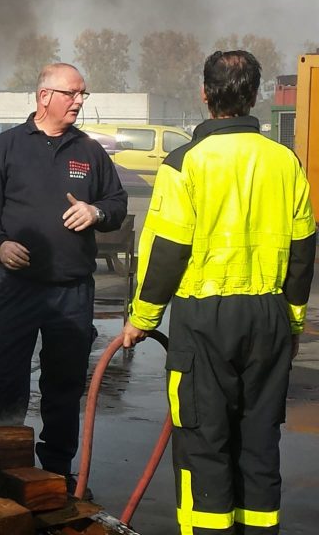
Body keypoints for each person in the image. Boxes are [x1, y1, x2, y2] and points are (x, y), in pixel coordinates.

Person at [121, 50, 315, 534]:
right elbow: (303, 250)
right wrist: (292, 322)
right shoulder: (285, 161)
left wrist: (142, 320)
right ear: (255, 94)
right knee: (258, 442)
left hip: (204, 321)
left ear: (204, 95)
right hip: (269, 317)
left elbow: (166, 251)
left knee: (204, 442)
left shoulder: (185, 162)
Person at [0, 63, 128, 492]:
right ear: (45, 97)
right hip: (17, 288)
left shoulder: (89, 151)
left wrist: (97, 212)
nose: (80, 101)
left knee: (64, 384)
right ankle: (2, 466)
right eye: (73, 93)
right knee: (5, 379)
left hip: (72, 290)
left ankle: (56, 472)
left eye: (83, 95)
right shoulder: (6, 148)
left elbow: (116, 202)